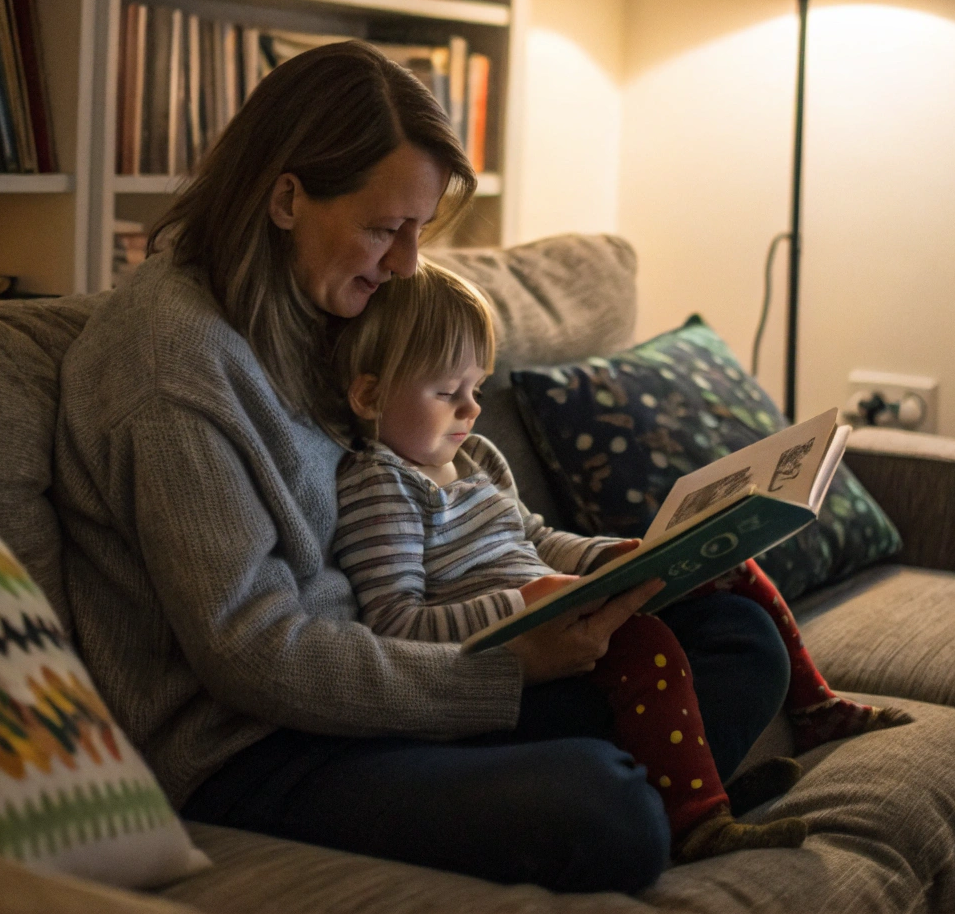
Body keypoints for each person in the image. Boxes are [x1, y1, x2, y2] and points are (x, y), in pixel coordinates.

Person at [54, 41, 795, 894]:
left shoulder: (325, 303)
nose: (408, 261)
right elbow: (256, 656)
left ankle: (652, 781)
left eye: (418, 229)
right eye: (383, 227)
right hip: (259, 747)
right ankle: (653, 791)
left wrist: (604, 575)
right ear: (286, 196)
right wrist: (505, 671)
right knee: (605, 811)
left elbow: (453, 495)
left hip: (409, 672)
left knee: (740, 637)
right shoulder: (171, 370)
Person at [330, 260, 909, 864]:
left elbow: (534, 536)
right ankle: (698, 820)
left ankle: (811, 707)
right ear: (369, 394)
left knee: (727, 576)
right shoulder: (380, 485)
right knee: (644, 646)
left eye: (477, 388)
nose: (471, 409)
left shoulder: (475, 456)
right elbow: (395, 622)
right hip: (509, 657)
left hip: (561, 612)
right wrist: (523, 604)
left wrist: (608, 556)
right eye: (448, 393)